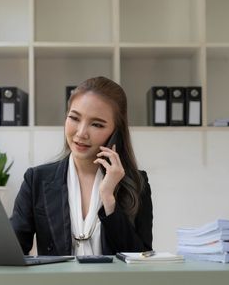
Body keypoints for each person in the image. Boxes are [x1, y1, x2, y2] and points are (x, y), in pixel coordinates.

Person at [10, 76, 153, 256]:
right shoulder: (36, 179)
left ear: (116, 132)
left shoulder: (137, 183)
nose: (81, 133)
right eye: (74, 118)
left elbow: (141, 259)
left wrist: (109, 199)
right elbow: (12, 250)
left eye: (97, 124)